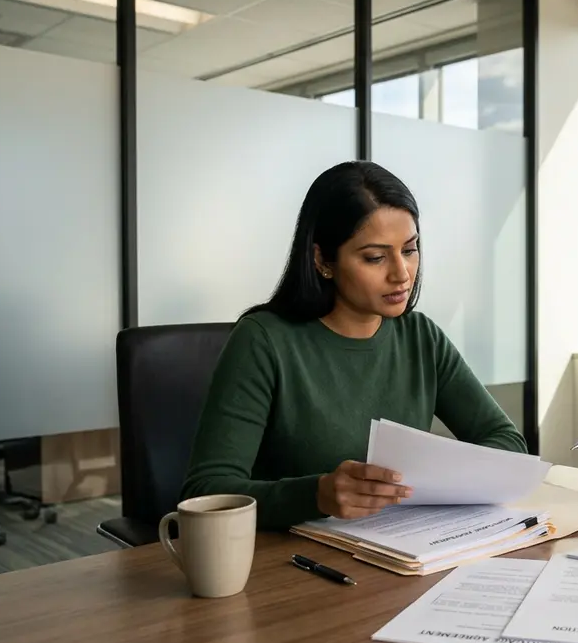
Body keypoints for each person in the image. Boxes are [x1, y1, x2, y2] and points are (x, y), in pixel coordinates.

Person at [181, 161, 526, 530]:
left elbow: (507, 443)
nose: (401, 273)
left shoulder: (421, 336)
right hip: (292, 563)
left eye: (409, 249)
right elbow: (207, 490)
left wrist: (440, 474)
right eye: (375, 257)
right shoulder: (263, 340)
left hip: (400, 551)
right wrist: (315, 495)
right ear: (322, 261)